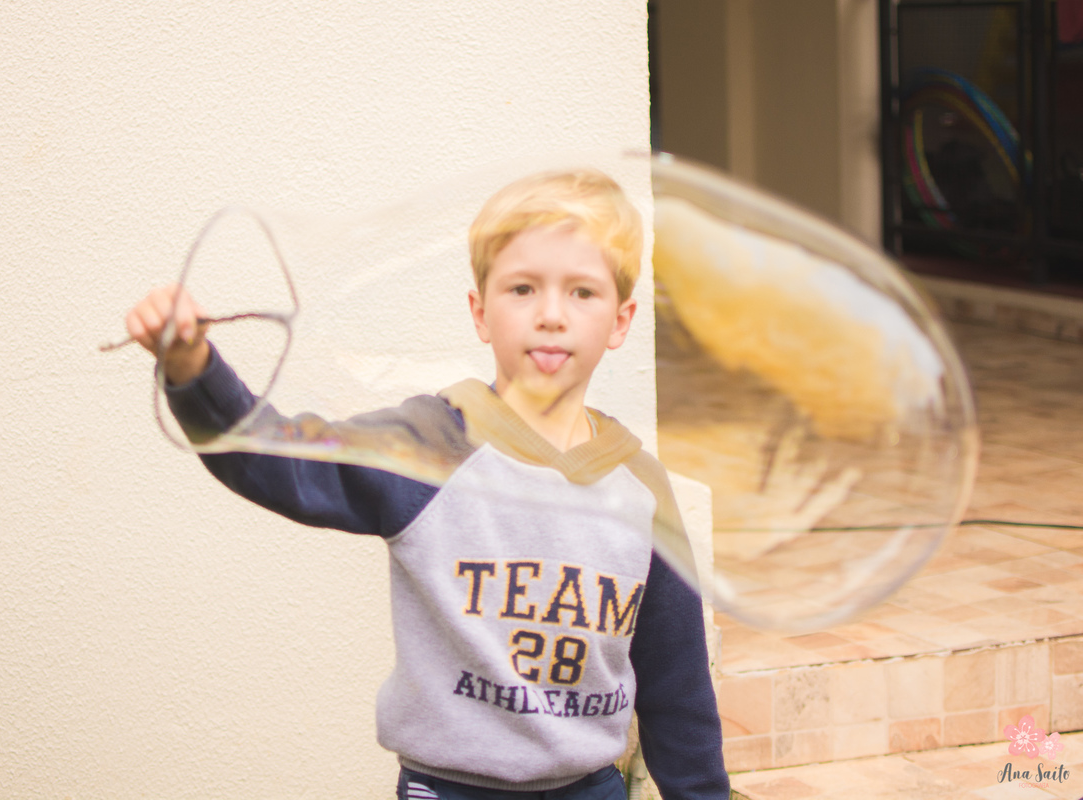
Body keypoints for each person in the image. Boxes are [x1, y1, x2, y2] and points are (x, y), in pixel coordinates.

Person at [124, 169, 730, 800]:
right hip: (449, 790)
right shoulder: (429, 442)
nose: (552, 315)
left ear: (621, 320)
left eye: (582, 292)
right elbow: (280, 465)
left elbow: (677, 689)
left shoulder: (641, 489)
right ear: (481, 313)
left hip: (590, 789)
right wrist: (194, 370)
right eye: (523, 288)